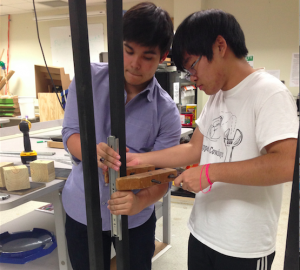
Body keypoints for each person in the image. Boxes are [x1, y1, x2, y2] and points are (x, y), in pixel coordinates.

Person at [98, 9, 299, 270]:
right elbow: (194, 148)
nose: (192, 78)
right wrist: (139, 158)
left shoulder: (269, 93)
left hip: (243, 246)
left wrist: (210, 173)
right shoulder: (217, 95)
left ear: (220, 46)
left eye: (193, 65)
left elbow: (287, 164)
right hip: (203, 233)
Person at [62, 2, 181, 270]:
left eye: (147, 56)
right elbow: (70, 134)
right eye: (128, 51)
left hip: (135, 219)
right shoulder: (87, 79)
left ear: (163, 57)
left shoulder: (166, 112)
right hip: (83, 209)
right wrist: (93, 152)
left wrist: (140, 200)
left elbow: (164, 175)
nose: (135, 63)